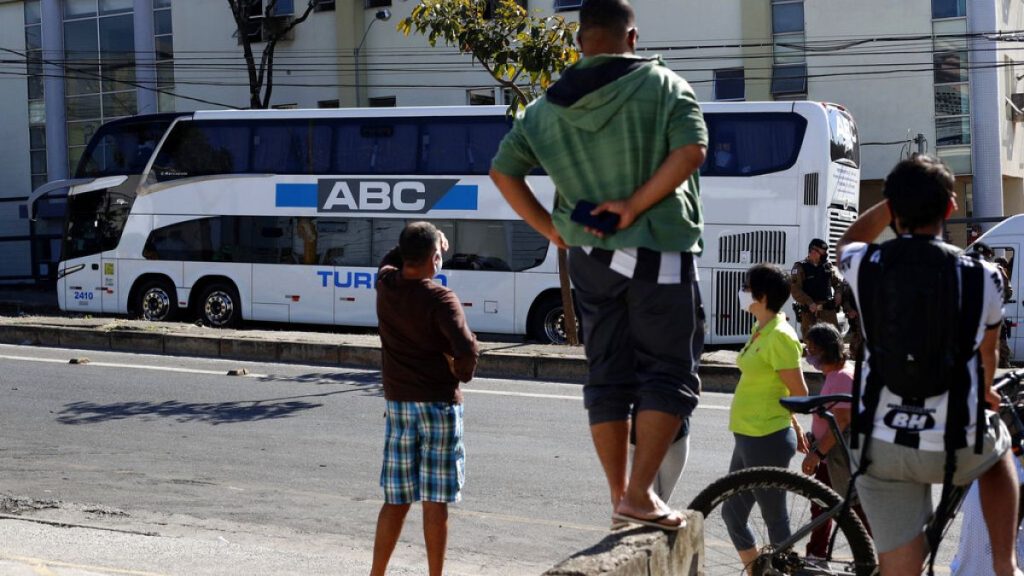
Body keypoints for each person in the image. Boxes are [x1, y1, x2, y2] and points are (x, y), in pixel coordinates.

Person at [489, 0, 706, 531]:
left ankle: (620, 495)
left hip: (588, 256)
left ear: (581, 41)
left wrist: (551, 231)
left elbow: (502, 172)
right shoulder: (664, 85)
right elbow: (691, 152)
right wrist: (634, 205)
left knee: (607, 375)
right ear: (631, 37)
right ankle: (639, 494)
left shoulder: (542, 110)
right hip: (659, 249)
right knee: (669, 372)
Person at [837, 154, 1021, 576]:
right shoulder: (984, 276)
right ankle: (1004, 563)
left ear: (894, 210)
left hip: (883, 444)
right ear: (950, 209)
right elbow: (988, 354)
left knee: (900, 570)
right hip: (957, 441)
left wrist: (894, 200)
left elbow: (846, 241)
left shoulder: (866, 266)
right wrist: (987, 391)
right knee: (999, 456)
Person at [369, 221, 480, 576]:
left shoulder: (386, 286)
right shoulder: (440, 298)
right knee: (435, 501)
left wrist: (414, 247)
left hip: (400, 406)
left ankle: (377, 574)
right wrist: (459, 373)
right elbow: (467, 349)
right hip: (439, 407)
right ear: (435, 258)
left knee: (396, 498)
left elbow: (387, 261)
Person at [724, 263, 809, 569]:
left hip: (767, 436)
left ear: (760, 296)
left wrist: (794, 426)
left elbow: (798, 392)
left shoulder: (781, 337)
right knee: (732, 514)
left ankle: (782, 572)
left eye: (746, 287)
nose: (742, 292)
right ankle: (759, 570)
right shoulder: (760, 330)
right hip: (747, 435)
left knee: (775, 522)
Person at [799, 322, 870, 559]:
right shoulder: (836, 374)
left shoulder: (841, 377)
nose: (808, 354)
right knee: (822, 507)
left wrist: (816, 454)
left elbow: (842, 420)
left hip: (835, 455)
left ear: (826, 350)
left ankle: (893, 557)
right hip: (831, 454)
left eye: (812, 349)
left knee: (853, 506)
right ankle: (816, 555)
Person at [791, 238, 843, 339]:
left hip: (828, 312)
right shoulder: (800, 267)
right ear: (813, 251)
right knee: (811, 343)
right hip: (809, 313)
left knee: (833, 340)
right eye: (822, 252)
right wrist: (809, 302)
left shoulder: (827, 266)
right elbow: (795, 289)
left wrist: (838, 293)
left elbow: (838, 283)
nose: (825, 255)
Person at [839, 280, 863, 360]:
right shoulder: (851, 275)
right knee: (857, 334)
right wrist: (849, 310)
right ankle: (855, 355)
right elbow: (845, 297)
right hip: (856, 313)